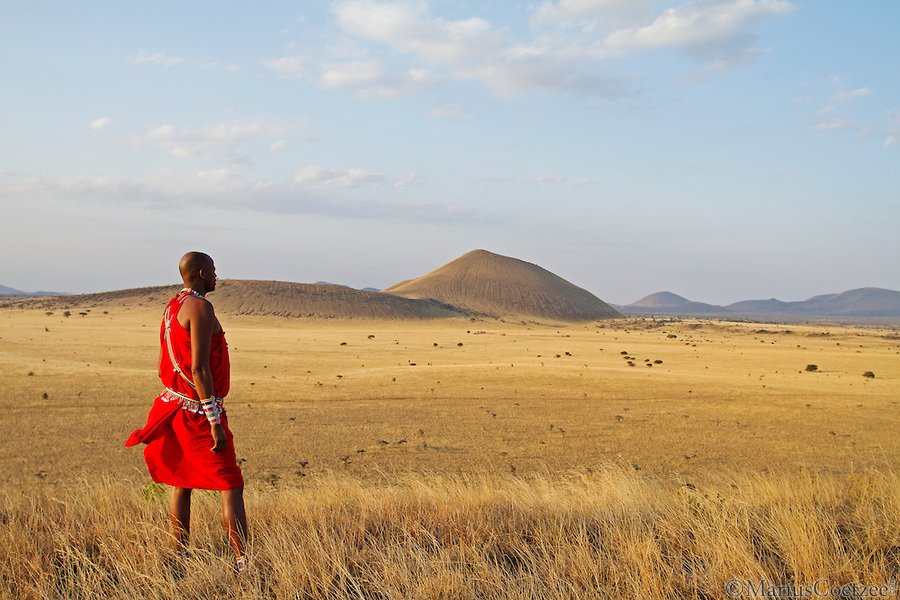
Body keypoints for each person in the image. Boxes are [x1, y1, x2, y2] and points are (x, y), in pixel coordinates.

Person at [126, 251, 249, 572]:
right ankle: (243, 561)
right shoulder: (200, 308)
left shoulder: (173, 307)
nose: (216, 275)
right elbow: (199, 368)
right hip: (197, 411)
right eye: (212, 270)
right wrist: (213, 421)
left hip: (174, 404)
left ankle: (179, 554)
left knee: (182, 481)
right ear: (198, 273)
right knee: (230, 484)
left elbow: (161, 364)